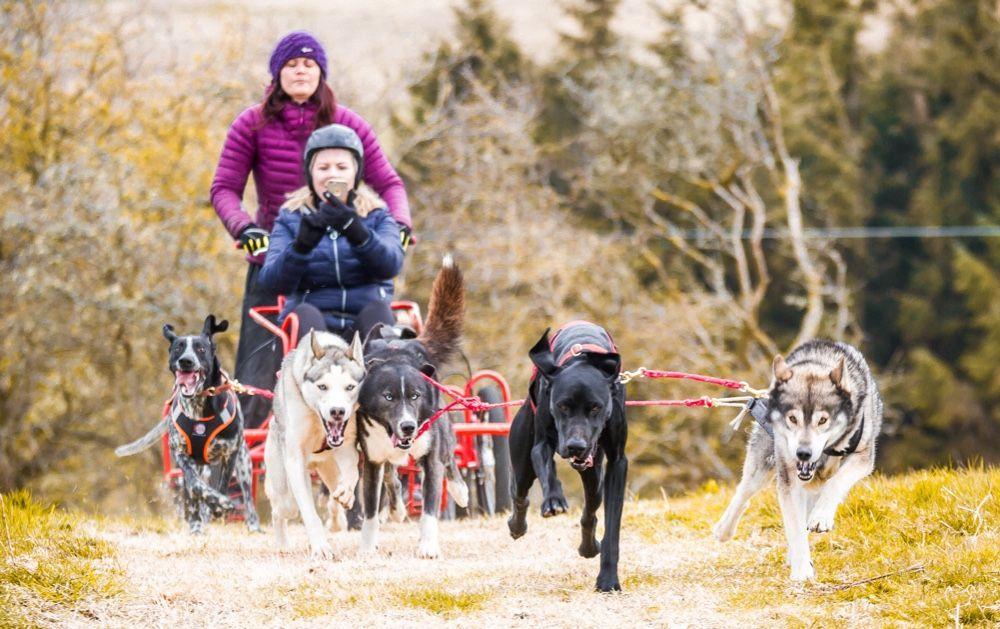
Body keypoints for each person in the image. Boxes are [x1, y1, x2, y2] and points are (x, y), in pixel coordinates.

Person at [211, 31, 412, 427]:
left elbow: (390, 183)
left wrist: (400, 224)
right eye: (291, 64)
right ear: (277, 73)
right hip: (279, 255)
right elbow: (224, 188)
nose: (301, 71)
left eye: (309, 64)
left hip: (351, 258)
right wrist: (245, 228)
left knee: (382, 333)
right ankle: (248, 448)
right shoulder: (252, 124)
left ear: (321, 73)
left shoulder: (347, 125)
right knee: (258, 372)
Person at [259, 124, 405, 347]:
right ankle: (320, 365)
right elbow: (272, 282)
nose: (333, 174)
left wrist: (357, 232)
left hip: (364, 321)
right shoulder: (291, 217)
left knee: (380, 313)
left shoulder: (377, 214)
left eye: (342, 167)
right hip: (313, 323)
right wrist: (301, 247)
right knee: (304, 313)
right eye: (323, 167)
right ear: (310, 173)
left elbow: (391, 266)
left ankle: (380, 368)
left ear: (356, 172)